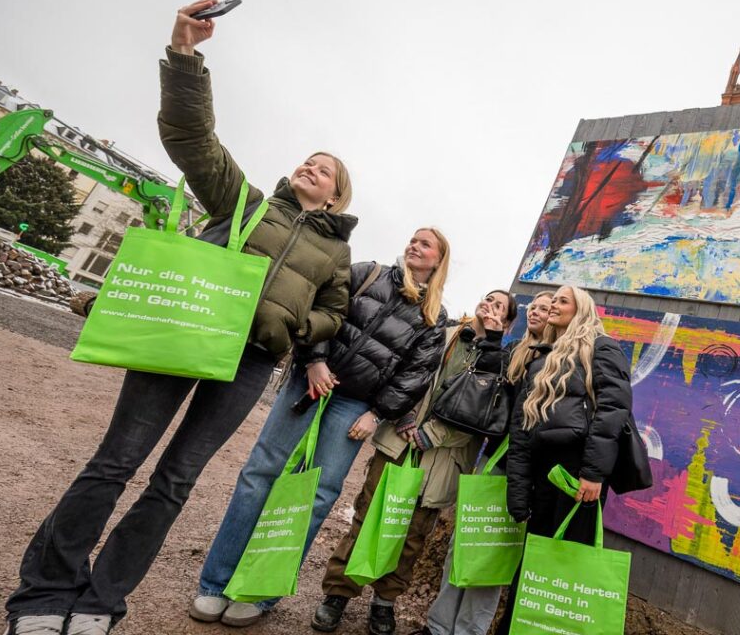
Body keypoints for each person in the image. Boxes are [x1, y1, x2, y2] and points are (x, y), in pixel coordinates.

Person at [3, 0, 357, 635]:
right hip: (186, 333)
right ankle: (43, 594)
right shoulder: (245, 200)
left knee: (174, 481)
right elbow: (193, 138)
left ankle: (100, 601)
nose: (312, 166)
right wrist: (185, 53)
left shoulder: (337, 253)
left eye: (325, 169)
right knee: (115, 462)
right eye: (308, 159)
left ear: (337, 194)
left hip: (247, 363)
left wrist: (295, 328)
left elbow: (335, 312)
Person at [189, 227, 452, 627]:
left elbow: (415, 374)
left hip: (354, 405)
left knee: (317, 493)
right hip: (309, 382)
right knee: (260, 473)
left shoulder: (434, 317)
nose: (415, 245)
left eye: (426, 244)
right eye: (413, 239)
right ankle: (215, 583)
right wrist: (314, 361)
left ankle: (259, 591)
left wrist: (377, 414)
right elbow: (320, 311)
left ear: (438, 260)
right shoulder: (368, 273)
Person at [313, 290, 518, 635]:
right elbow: (405, 370)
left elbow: (484, 416)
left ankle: (384, 601)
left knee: (413, 535)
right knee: (369, 516)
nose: (490, 306)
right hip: (400, 441)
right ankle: (338, 594)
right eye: (488, 298)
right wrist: (403, 413)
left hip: (444, 459)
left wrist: (433, 435)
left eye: (500, 306)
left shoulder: (502, 361)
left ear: (509, 322)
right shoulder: (444, 333)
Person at [410, 291, 553, 635]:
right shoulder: (513, 350)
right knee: (464, 545)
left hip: (524, 473)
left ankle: (468, 631)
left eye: (547, 308)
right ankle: (438, 627)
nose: (537, 311)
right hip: (492, 461)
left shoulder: (558, 359)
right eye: (534, 306)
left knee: (492, 558)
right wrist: (493, 340)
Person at [499, 286, 633, 634]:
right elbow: (522, 428)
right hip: (543, 478)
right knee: (534, 563)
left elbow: (613, 412)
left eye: (562, 300)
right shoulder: (543, 357)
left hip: (578, 481)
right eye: (552, 299)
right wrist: (518, 490)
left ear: (581, 309)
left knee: (568, 568)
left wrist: (593, 473)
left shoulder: (602, 348)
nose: (553, 305)